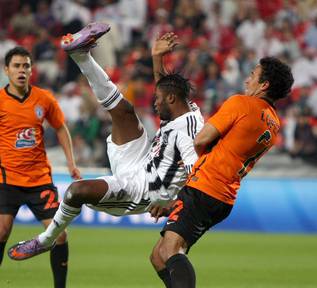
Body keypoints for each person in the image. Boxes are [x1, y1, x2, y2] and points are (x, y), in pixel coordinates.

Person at [8, 24, 203, 269]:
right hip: (141, 160)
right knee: (124, 112)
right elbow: (166, 90)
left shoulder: (189, 128)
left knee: (76, 192)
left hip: (143, 189)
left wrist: (174, 204)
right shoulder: (183, 108)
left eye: (158, 100)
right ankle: (81, 55)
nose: (155, 103)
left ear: (172, 100)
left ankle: (46, 239)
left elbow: (197, 171)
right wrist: (157, 57)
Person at [150, 56, 294, 288]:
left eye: (253, 74)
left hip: (205, 188)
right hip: (223, 197)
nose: (248, 78)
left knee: (170, 250)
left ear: (264, 85)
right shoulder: (273, 122)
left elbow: (200, 140)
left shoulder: (241, 103)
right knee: (159, 257)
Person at [0, 46, 81, 288]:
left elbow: (60, 127)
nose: (22, 71)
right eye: (17, 66)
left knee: (59, 235)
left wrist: (71, 163)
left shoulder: (44, 99)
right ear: (7, 70)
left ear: (32, 70)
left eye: (26, 66)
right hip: (6, 180)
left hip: (40, 181)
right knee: (1, 231)